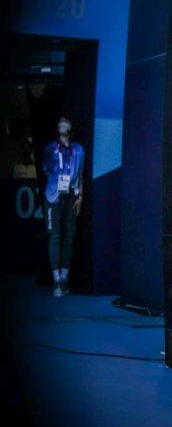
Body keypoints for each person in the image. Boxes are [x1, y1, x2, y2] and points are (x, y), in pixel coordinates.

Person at [42, 114, 85, 297]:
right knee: (55, 237)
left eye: (66, 121)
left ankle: (64, 278)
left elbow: (80, 174)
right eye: (60, 121)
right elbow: (46, 170)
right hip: (54, 196)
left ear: (71, 126)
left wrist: (80, 196)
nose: (63, 124)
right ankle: (56, 280)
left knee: (69, 238)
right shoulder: (51, 148)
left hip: (71, 197)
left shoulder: (79, 150)